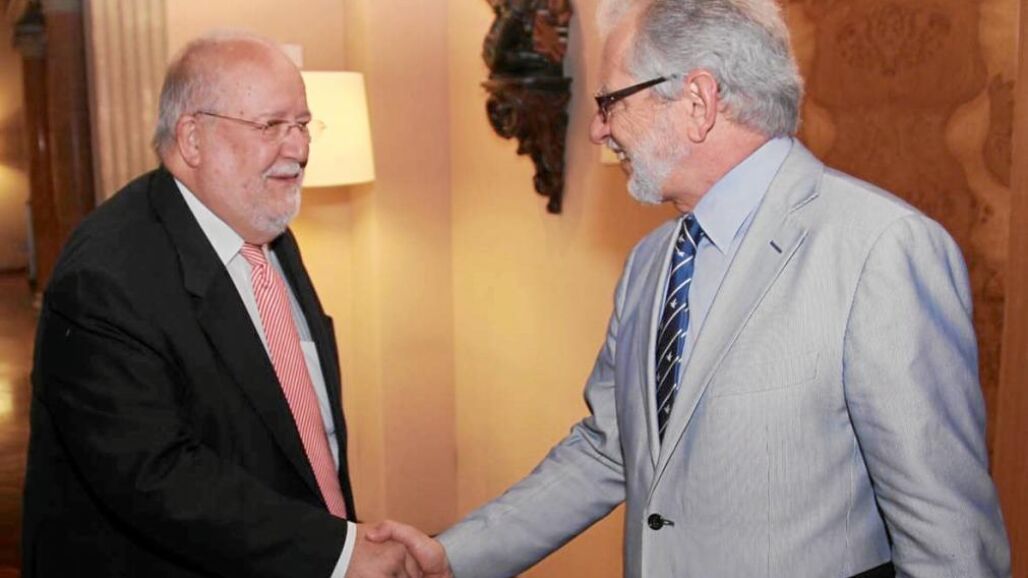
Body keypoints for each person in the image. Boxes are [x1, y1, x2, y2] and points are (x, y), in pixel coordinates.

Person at [374, 0, 1012, 576]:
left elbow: (949, 542)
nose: (598, 130)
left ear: (699, 101)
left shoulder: (880, 249)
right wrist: (453, 556)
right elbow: (609, 449)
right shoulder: (652, 262)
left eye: (610, 102)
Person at [22, 32, 420, 577]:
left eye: (303, 124)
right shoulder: (105, 279)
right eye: (271, 125)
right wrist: (338, 553)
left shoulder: (262, 223)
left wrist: (337, 542)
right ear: (192, 138)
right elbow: (160, 477)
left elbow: (291, 427)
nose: (299, 149)